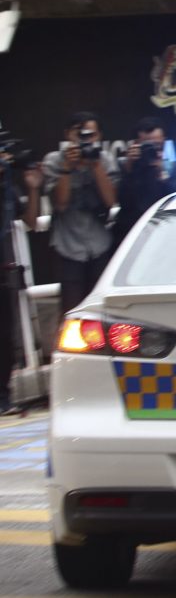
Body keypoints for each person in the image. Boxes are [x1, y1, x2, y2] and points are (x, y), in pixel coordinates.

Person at [41, 112, 119, 313]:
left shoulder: (104, 160)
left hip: (100, 243)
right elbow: (60, 204)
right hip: (67, 245)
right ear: (68, 134)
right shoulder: (54, 161)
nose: (86, 140)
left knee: (103, 309)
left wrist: (95, 165)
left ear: (99, 136)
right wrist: (67, 168)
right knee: (72, 310)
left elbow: (111, 201)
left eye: (90, 135)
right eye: (80, 134)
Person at [0, 133, 41, 416]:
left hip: (3, 267)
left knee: (5, 334)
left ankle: (4, 394)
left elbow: (30, 221)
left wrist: (33, 187)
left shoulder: (6, 184)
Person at [111, 117, 176, 249]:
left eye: (158, 145)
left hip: (164, 234)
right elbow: (119, 201)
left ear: (164, 142)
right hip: (131, 235)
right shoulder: (125, 166)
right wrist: (129, 169)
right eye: (147, 145)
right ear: (135, 144)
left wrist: (162, 173)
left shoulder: (170, 168)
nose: (154, 149)